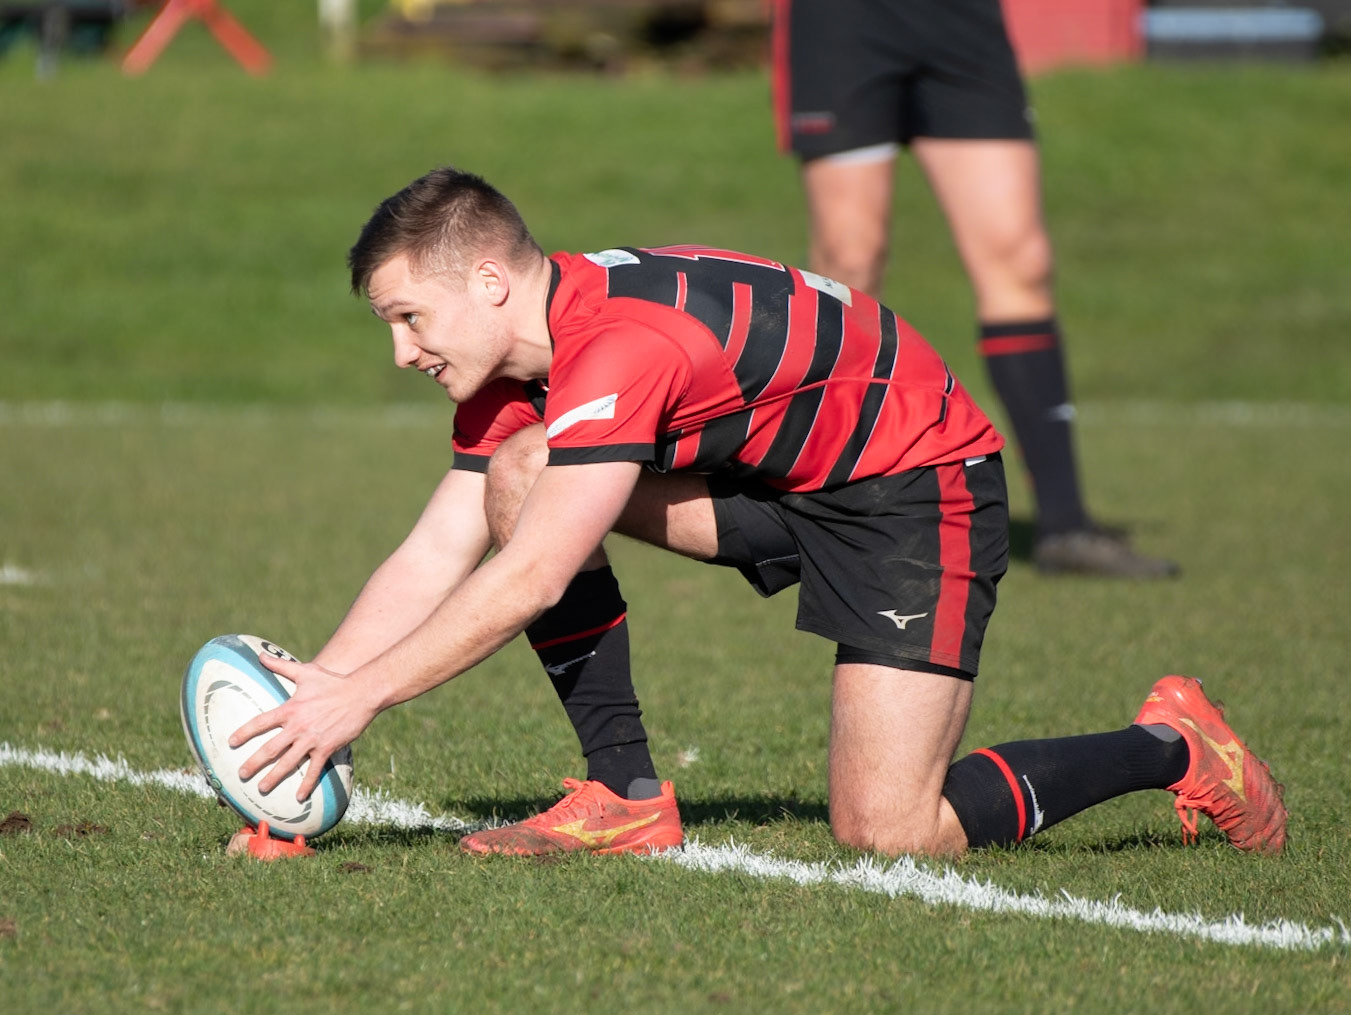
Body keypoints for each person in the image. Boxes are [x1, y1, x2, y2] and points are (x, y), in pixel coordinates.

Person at [228, 168, 1284, 859]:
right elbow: (436, 549)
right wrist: (313, 717)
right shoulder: (520, 359)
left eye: (409, 317)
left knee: (889, 833)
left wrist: (356, 702)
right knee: (518, 472)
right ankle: (626, 798)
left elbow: (534, 574)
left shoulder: (617, 348)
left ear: (491, 281)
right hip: (781, 479)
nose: (402, 352)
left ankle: (1172, 746)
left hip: (915, 487)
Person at [770, 0, 1176, 577]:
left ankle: (1065, 527)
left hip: (961, 23)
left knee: (1021, 260)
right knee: (849, 261)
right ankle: (821, 511)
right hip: (845, 22)